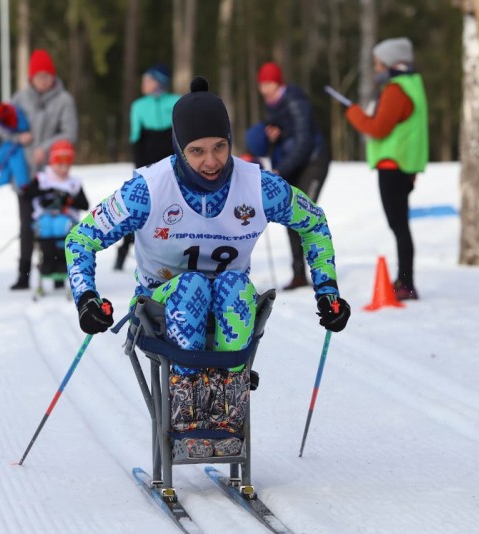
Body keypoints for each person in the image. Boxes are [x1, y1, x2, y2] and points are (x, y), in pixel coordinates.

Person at [65, 77, 350, 458]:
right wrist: (86, 298)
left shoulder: (258, 185)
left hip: (228, 306)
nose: (211, 161)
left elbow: (313, 222)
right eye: (197, 151)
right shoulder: (147, 189)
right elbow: (81, 238)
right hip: (159, 309)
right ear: (179, 150)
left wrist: (328, 291)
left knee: (232, 285)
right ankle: (186, 413)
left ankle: (227, 411)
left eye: (220, 147)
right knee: (194, 285)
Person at [344, 37, 428, 301]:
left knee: (399, 226)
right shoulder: (414, 85)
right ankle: (405, 280)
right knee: (401, 225)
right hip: (406, 165)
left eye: (378, 63)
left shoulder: (395, 90)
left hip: (393, 166)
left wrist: (354, 114)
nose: (376, 68)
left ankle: (405, 283)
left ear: (390, 63)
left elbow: (378, 129)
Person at [0, 49, 78, 291]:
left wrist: (45, 147)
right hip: (25, 175)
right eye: (38, 76)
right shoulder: (19, 99)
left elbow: (70, 133)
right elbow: (0, 126)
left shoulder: (65, 100)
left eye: (47, 76)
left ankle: (58, 271)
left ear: (53, 76)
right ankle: (23, 274)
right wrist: (18, 136)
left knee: (56, 223)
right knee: (25, 226)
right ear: (31, 78)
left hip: (55, 176)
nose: (42, 81)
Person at [256, 61, 331, 290]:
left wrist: (280, 170)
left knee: (306, 216)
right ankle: (299, 274)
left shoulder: (295, 101)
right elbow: (284, 139)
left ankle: (323, 273)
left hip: (313, 162)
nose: (264, 89)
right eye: (261, 84)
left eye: (268, 83)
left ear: (279, 83)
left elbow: (303, 141)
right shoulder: (273, 106)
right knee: (290, 217)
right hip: (292, 166)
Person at [114, 64, 181, 271]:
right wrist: (140, 171)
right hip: (147, 164)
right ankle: (122, 254)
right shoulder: (138, 106)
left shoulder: (176, 102)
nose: (144, 84)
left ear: (159, 82)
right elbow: (136, 139)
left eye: (148, 80)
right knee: (139, 208)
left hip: (172, 164)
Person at [25, 140, 88, 290]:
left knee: (61, 225)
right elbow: (27, 194)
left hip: (66, 218)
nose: (63, 169)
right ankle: (47, 261)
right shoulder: (43, 178)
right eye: (60, 165)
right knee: (46, 225)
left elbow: (84, 204)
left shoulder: (74, 183)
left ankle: (61, 262)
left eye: (67, 165)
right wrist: (47, 193)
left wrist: (68, 199)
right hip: (44, 217)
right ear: (52, 163)